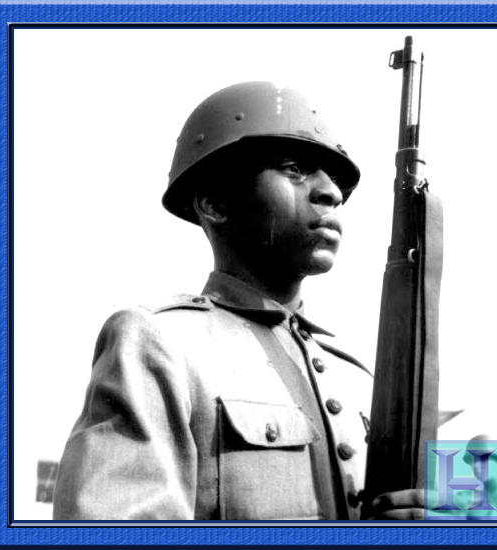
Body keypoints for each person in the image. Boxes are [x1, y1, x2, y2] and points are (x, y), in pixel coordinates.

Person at [53, 81, 425, 521]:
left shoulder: (358, 375)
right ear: (215, 203)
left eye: (335, 182)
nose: (331, 193)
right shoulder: (160, 342)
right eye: (294, 169)